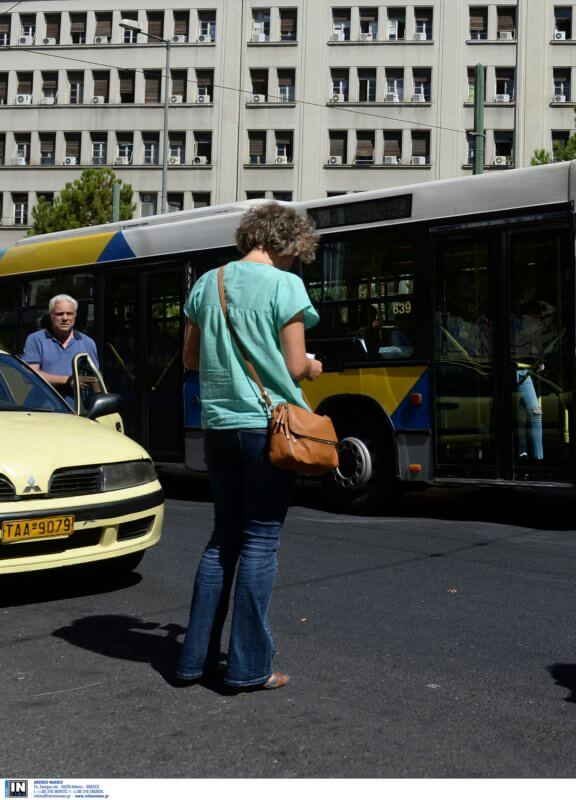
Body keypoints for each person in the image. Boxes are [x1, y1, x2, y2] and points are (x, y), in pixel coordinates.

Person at [175, 203, 323, 692]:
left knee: (223, 539)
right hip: (269, 427)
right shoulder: (285, 286)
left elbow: (191, 359)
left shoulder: (207, 283)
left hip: (218, 427)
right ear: (287, 243)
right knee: (260, 540)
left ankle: (193, 661)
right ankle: (248, 668)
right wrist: (313, 367)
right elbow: (296, 365)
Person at [21, 294, 100, 409]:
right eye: (59, 314)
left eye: (69, 313)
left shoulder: (88, 343)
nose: (65, 318)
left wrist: (101, 403)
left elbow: (94, 379)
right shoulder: (36, 339)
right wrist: (68, 380)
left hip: (76, 413)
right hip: (41, 411)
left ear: (75, 316)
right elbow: (29, 375)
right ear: (51, 315)